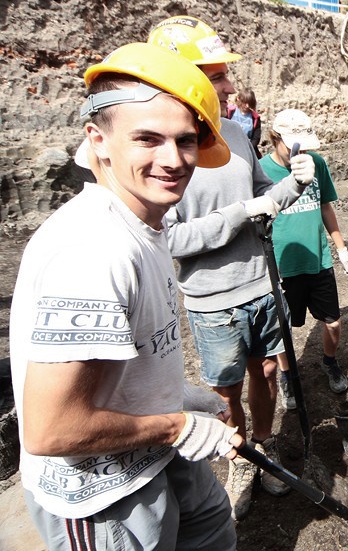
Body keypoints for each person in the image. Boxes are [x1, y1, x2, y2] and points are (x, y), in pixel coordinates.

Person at [10, 42, 241, 550]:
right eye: (147, 139)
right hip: (101, 495)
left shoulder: (143, 224)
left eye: (184, 141)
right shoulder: (95, 253)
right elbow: (52, 429)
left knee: (212, 528)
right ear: (99, 140)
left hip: (155, 458)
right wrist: (174, 423)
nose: (173, 160)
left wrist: (173, 396)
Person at [151, 15, 316, 520]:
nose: (227, 86)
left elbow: (260, 197)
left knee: (266, 371)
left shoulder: (236, 135)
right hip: (212, 299)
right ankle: (236, 454)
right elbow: (170, 237)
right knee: (224, 392)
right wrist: (237, 215)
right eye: (215, 76)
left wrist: (292, 183)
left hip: (260, 283)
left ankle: (260, 447)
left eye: (224, 75)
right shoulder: (164, 150)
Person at [259, 109, 348, 404]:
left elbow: (325, 205)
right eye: (291, 145)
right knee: (283, 329)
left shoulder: (317, 164)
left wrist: (341, 247)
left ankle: (329, 362)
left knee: (333, 323)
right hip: (282, 266)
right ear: (275, 138)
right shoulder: (260, 171)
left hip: (318, 259)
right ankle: (288, 377)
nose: (298, 152)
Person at [226, 89, 262, 158]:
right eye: (245, 103)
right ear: (238, 99)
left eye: (250, 103)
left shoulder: (255, 118)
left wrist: (247, 150)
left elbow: (256, 138)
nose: (247, 106)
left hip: (247, 150)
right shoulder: (229, 112)